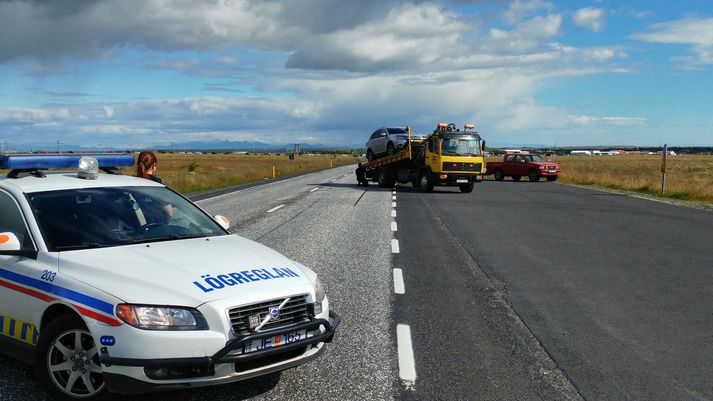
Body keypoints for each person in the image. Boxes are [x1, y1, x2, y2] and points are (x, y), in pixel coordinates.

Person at [136, 151, 173, 221]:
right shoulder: (157, 184)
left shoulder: (131, 182)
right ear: (154, 165)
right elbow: (170, 213)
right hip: (157, 227)